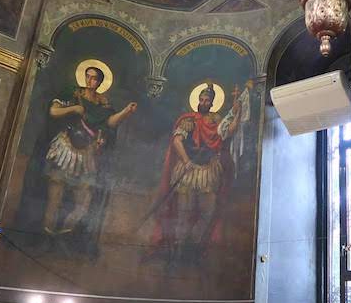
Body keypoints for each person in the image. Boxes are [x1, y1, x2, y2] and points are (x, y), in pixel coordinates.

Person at [150, 83, 242, 263]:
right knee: (185, 211)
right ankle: (177, 248)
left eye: (207, 100)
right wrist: (186, 161)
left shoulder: (216, 120)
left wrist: (237, 112)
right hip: (189, 170)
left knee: (207, 211)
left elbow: (228, 132)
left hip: (208, 171)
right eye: (201, 99)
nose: (203, 102)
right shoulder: (188, 120)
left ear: (212, 102)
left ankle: (193, 248)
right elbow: (177, 141)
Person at [41, 66, 137, 235]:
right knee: (54, 199)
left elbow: (110, 123)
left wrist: (126, 111)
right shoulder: (74, 93)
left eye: (94, 78)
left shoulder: (103, 102)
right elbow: (53, 111)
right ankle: (46, 236)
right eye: (88, 76)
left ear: (100, 82)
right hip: (66, 148)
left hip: (86, 153)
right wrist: (73, 108)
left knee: (83, 203)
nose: (90, 81)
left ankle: (64, 235)